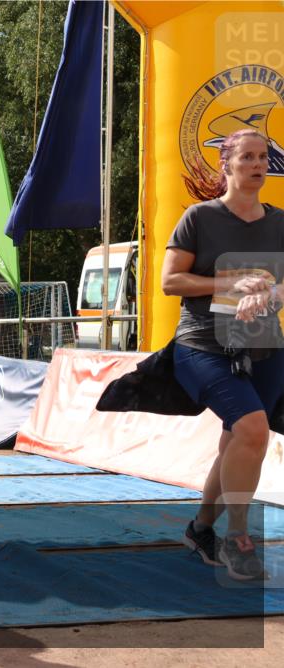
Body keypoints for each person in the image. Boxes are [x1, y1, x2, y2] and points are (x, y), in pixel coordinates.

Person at [163, 129, 283, 580]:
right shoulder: (199, 218)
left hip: (265, 347)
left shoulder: (280, 222)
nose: (258, 164)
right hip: (204, 346)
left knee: (237, 440)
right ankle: (238, 539)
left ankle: (200, 530)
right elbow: (171, 282)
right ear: (226, 165)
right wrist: (229, 283)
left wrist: (273, 290)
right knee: (253, 430)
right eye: (248, 157)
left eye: (264, 157)